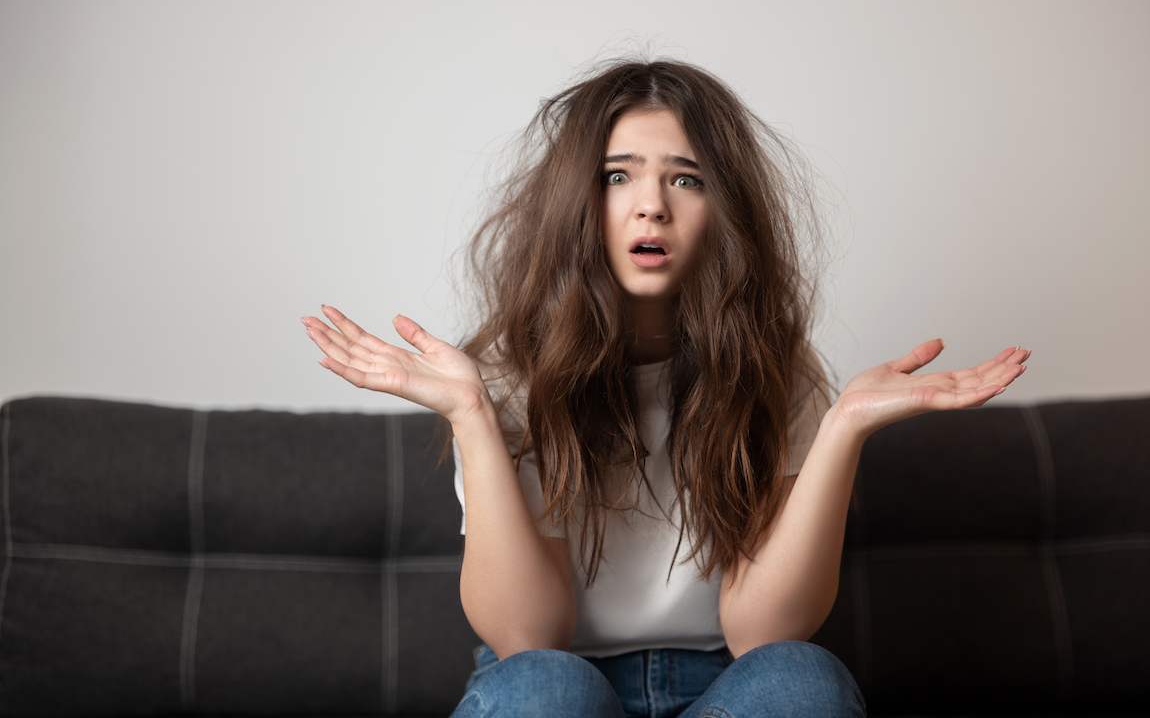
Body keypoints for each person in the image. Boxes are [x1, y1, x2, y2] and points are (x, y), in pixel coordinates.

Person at [301, 59, 1029, 718]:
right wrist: (470, 414)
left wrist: (843, 427)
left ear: (725, 211)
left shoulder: (779, 368)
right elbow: (530, 638)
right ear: (575, 204)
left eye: (687, 178)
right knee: (545, 690)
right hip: (563, 687)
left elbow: (763, 634)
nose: (652, 205)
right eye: (617, 176)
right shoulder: (504, 374)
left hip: (724, 689)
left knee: (801, 677)